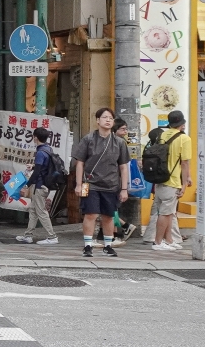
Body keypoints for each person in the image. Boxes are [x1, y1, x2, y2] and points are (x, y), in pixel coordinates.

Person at [73, 107, 128, 258]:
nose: (108, 120)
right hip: (89, 184)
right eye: (104, 117)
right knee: (90, 214)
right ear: (97, 120)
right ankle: (88, 245)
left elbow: (123, 167)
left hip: (111, 184)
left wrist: (124, 189)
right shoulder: (88, 139)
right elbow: (80, 163)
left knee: (108, 215)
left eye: (110, 118)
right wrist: (78, 184)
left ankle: (108, 245)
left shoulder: (119, 143)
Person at [148, 111, 194, 253]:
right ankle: (157, 242)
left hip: (160, 178)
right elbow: (184, 162)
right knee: (166, 213)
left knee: (169, 212)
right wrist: (185, 182)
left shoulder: (162, 134)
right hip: (172, 180)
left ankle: (169, 240)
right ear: (182, 123)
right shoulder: (184, 139)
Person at [16, 125, 61, 245]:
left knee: (41, 211)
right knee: (33, 210)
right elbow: (43, 167)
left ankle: (52, 236)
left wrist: (27, 185)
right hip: (45, 185)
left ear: (35, 138)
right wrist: (34, 166)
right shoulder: (48, 149)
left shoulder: (40, 152)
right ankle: (28, 235)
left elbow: (37, 173)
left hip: (39, 186)